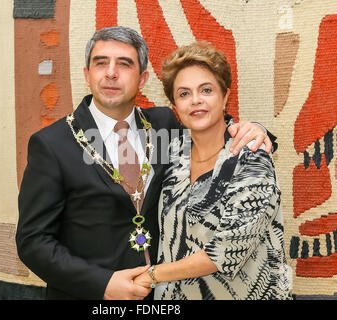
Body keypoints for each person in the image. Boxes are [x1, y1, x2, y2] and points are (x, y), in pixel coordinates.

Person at [16, 26, 274, 300]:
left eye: (124, 64)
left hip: (163, 296)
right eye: (100, 63)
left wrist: (256, 131)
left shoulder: (164, 124)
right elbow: (33, 242)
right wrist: (102, 284)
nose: (111, 72)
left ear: (142, 79)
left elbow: (210, 130)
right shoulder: (52, 143)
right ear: (87, 75)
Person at [134, 41, 292, 300]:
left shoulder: (251, 157)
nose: (195, 100)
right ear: (175, 106)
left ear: (225, 96)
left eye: (206, 90)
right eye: (184, 94)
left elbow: (226, 251)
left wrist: (151, 275)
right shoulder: (172, 152)